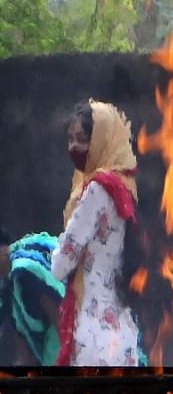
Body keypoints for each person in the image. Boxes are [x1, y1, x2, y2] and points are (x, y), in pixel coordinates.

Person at [52, 100, 143, 366]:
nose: (73, 147)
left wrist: (56, 247)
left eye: (81, 139)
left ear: (101, 140)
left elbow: (60, 265)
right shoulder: (124, 186)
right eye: (69, 139)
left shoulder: (96, 190)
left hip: (93, 334)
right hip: (120, 327)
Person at [0, 232, 65, 366]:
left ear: (3, 251)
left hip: (65, 340)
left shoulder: (25, 273)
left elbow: (60, 319)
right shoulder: (5, 287)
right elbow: (20, 335)